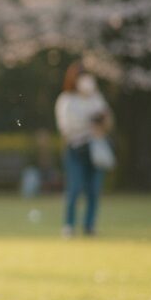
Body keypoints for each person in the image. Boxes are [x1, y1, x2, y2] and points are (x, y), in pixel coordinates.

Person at [54, 62, 113, 237]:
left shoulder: (96, 98)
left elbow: (108, 121)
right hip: (76, 148)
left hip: (95, 148)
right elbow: (65, 127)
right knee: (75, 188)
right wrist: (88, 123)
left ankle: (89, 225)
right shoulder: (66, 100)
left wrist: (102, 122)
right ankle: (69, 225)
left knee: (94, 189)